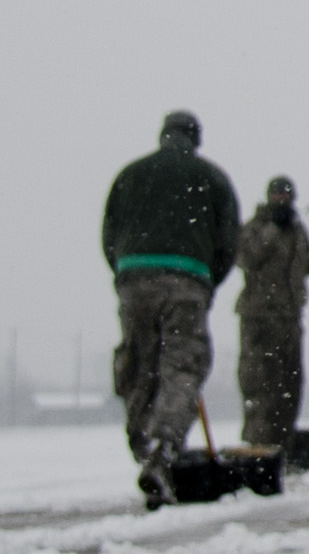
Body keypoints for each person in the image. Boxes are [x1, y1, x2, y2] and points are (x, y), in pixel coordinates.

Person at [101, 109, 240, 507]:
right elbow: (229, 242)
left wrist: (128, 271)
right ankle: (165, 448)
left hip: (133, 278)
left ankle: (140, 436)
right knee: (181, 365)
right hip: (187, 279)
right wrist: (206, 280)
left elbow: (109, 234)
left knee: (139, 362)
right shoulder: (212, 178)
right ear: (195, 138)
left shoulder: (130, 174)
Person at [233, 176, 309, 446]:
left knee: (290, 385)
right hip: (258, 319)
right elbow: (246, 257)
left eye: (286, 196)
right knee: (259, 383)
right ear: (268, 197)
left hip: (290, 320)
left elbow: (306, 266)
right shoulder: (255, 227)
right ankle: (258, 446)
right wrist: (272, 228)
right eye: (277, 196)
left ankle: (283, 444)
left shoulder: (298, 231)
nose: (282, 201)